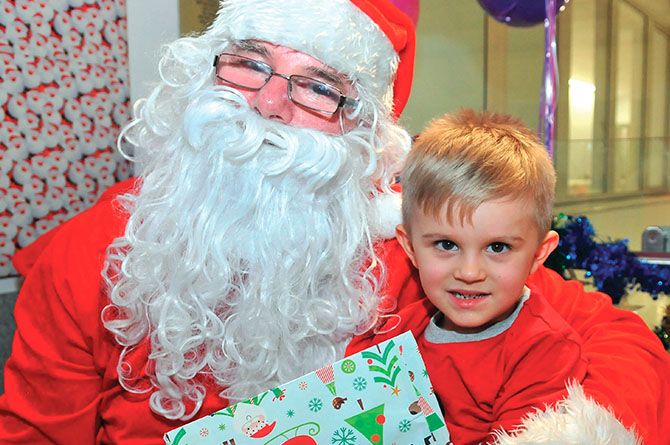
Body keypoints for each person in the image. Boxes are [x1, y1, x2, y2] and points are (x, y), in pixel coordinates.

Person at [0, 0, 667, 444]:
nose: (268, 103)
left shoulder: (412, 244)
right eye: (249, 63)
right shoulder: (97, 252)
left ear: (364, 133)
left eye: (318, 87)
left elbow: (617, 338)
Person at [348, 109, 590, 444]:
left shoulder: (544, 350)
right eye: (447, 244)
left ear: (539, 254)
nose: (469, 273)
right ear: (410, 248)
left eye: (498, 247)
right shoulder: (396, 333)